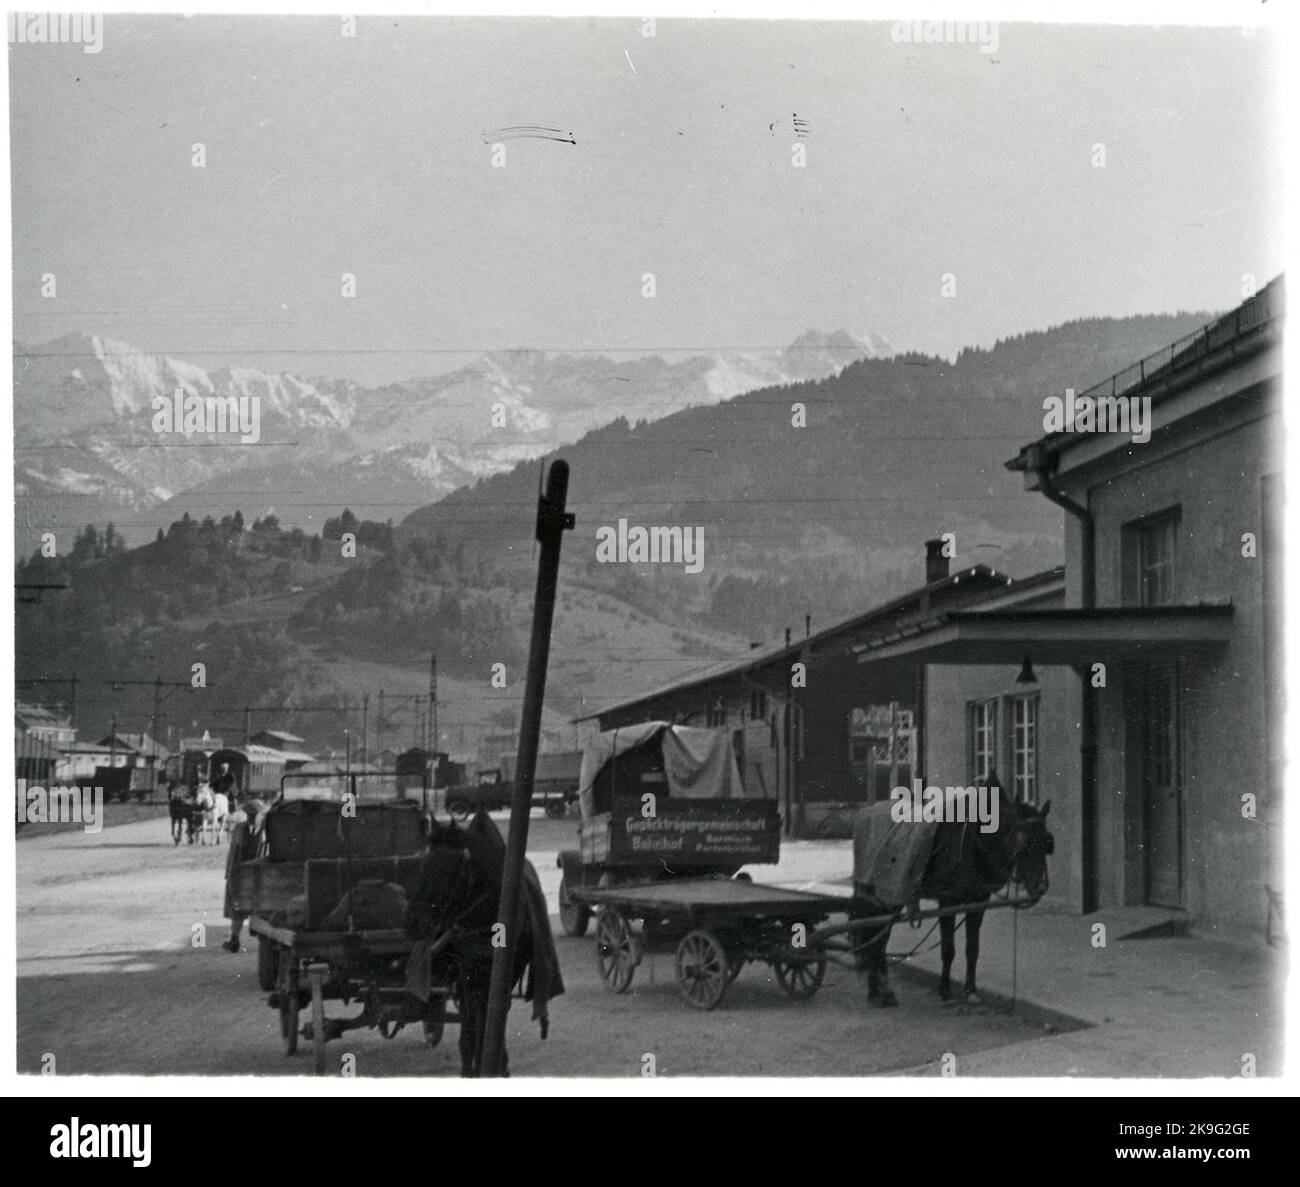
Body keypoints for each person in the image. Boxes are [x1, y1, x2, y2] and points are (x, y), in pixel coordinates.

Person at [221, 798, 266, 953]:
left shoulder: (267, 831)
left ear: (261, 815)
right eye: (249, 814)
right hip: (240, 872)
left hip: (259, 873)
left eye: (255, 814)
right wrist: (231, 873)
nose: (252, 817)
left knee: (261, 906)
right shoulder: (241, 829)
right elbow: (234, 853)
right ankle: (234, 940)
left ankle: (256, 936)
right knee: (237, 907)